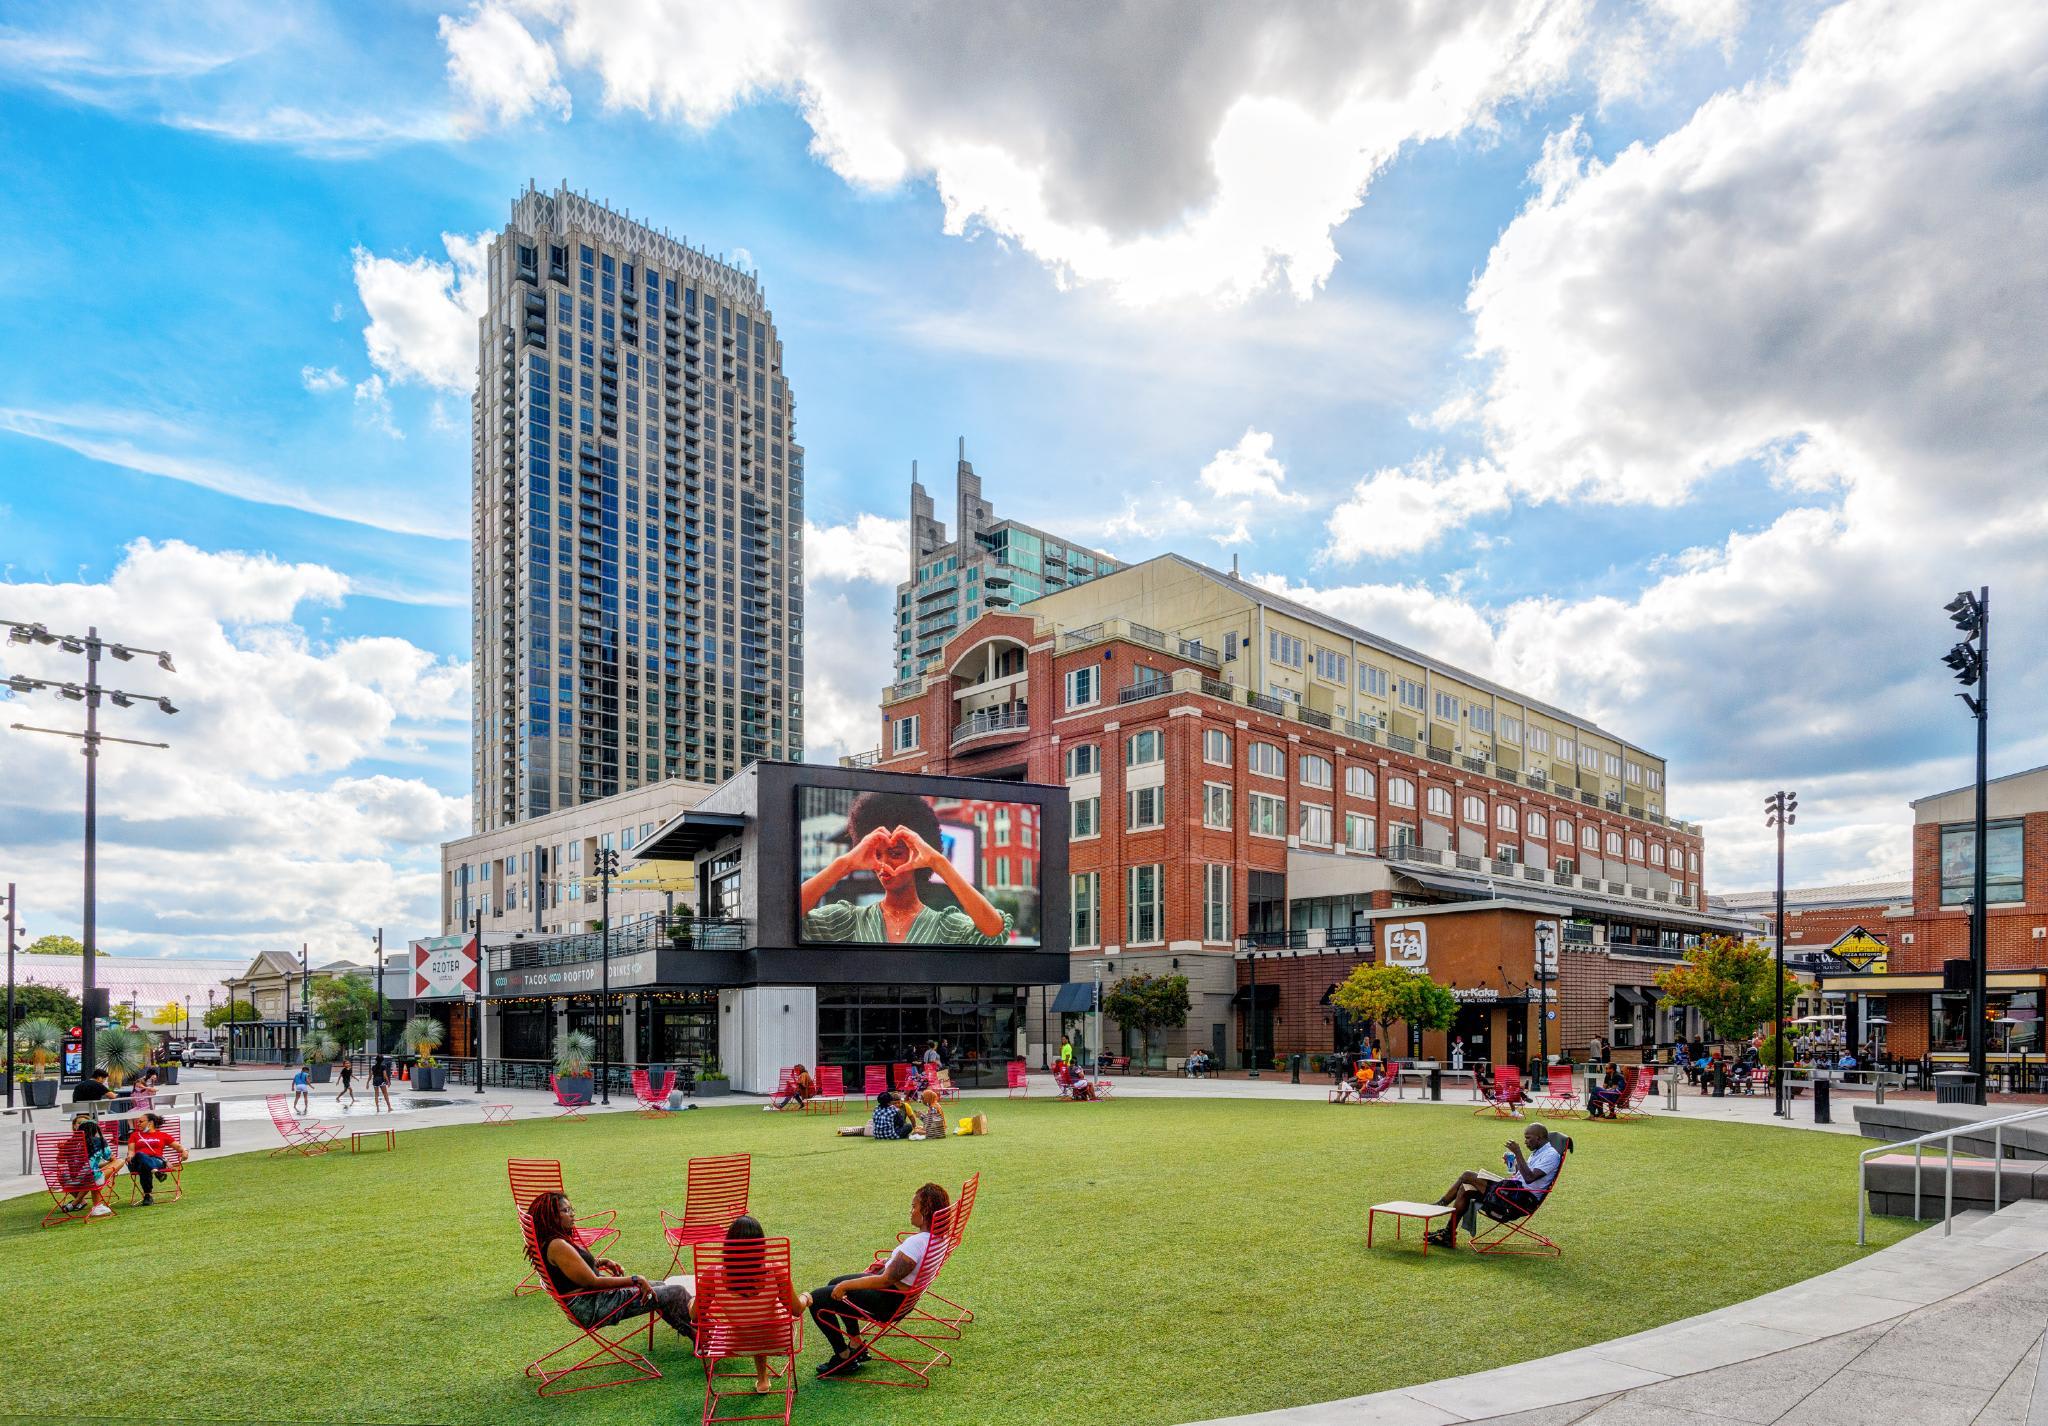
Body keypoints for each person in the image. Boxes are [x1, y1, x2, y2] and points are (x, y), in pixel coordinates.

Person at [800, 791, 1011, 945]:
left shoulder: (944, 924)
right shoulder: (848, 920)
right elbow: (785, 916)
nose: (884, 864)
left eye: (895, 854)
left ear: (916, 855)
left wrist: (939, 862)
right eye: (877, 854)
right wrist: (844, 864)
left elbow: (994, 932)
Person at [809, 1182, 951, 1377]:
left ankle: (843, 1358)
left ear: (925, 1210)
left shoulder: (916, 1244)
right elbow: (904, 1270)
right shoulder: (939, 1239)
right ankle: (856, 1345)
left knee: (818, 1298)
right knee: (833, 1283)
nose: (910, 1211)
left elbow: (884, 1280)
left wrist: (846, 1285)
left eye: (914, 1206)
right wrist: (890, 1262)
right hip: (902, 1298)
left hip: (888, 1302)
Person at [530, 1190, 695, 1338]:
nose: (572, 1214)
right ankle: (703, 1335)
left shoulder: (549, 1241)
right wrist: (636, 1279)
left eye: (572, 1209)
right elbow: (592, 1282)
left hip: (591, 1301)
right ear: (551, 1216)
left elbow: (571, 1273)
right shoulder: (557, 1245)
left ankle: (696, 1334)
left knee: (660, 1287)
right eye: (566, 1211)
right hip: (592, 1306)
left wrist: (601, 1262)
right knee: (676, 1292)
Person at [710, 1214, 810, 1392]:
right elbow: (796, 1310)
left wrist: (693, 1300)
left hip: (738, 1344)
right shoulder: (775, 1268)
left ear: (728, 1244)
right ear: (760, 1244)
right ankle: (762, 1378)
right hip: (778, 1340)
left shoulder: (712, 1274)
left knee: (750, 1320)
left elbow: (695, 1316)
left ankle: (763, 1379)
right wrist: (806, 1297)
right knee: (767, 1316)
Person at [1427, 1123, 1564, 1249]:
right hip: (1513, 1191)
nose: (1525, 1141)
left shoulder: (1551, 1155)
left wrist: (1518, 1153)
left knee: (1467, 1175)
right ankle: (1448, 1235)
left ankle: (1441, 1204)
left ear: (1539, 1138)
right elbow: (1523, 1174)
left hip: (1520, 1200)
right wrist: (1514, 1162)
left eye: (1528, 1138)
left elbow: (1529, 1178)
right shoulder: (1538, 1152)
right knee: (1465, 1189)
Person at [60, 1113, 118, 1218]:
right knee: (119, 1161)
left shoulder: (70, 1143)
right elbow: (111, 1158)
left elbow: (61, 1161)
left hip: (73, 1179)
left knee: (90, 1171)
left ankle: (77, 1201)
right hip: (90, 1179)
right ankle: (96, 1206)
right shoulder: (99, 1141)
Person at [126, 1112, 173, 1206]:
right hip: (137, 1162)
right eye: (137, 1121)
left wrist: (185, 1151)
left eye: (140, 1121)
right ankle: (155, 1171)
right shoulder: (134, 1135)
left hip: (156, 1160)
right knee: (140, 1154)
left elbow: (179, 1147)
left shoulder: (162, 1135)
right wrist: (130, 1155)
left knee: (144, 1166)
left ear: (150, 1123)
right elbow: (131, 1151)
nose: (137, 1123)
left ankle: (147, 1196)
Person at [836, 1091, 911, 1139]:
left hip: (877, 1135)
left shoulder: (876, 1109)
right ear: (889, 1101)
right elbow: (901, 1123)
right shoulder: (894, 1109)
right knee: (908, 1126)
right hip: (891, 1135)